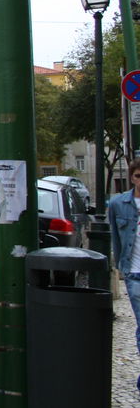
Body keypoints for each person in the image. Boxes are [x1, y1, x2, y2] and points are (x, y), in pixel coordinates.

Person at [108, 157, 140, 390]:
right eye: (138, 176)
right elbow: (116, 239)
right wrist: (121, 267)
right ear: (132, 177)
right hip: (135, 273)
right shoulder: (119, 204)